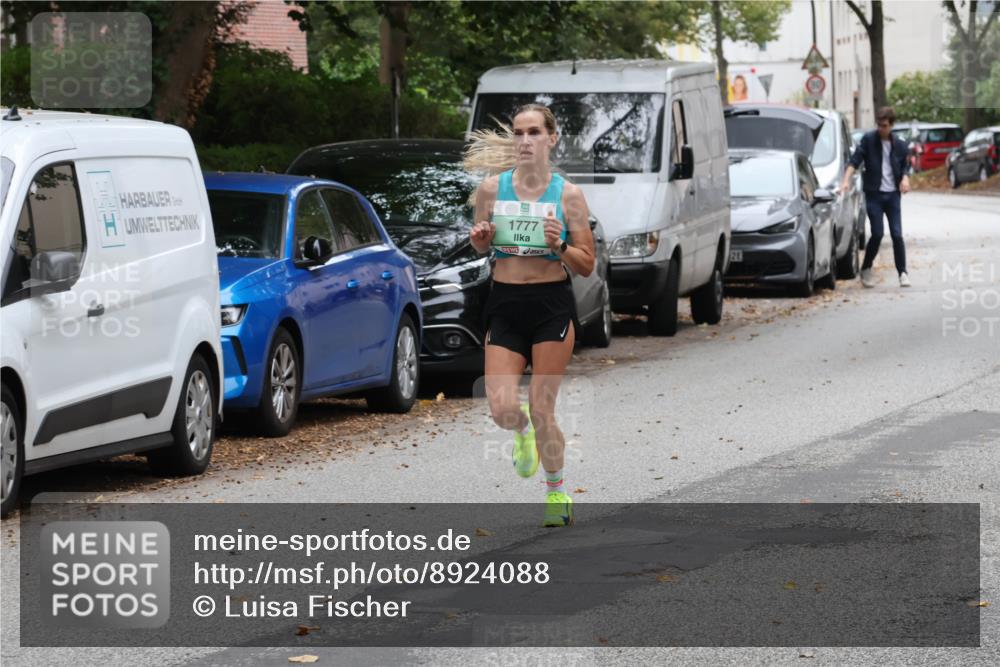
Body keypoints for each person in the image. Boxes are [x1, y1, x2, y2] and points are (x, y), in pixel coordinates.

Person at [465, 104, 596, 527]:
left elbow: (586, 264)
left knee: (543, 407)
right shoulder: (491, 189)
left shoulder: (569, 195)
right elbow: (482, 245)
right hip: (504, 302)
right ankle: (521, 434)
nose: (525, 141)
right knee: (502, 408)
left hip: (550, 305)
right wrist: (481, 238)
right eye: (519, 133)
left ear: (551, 139)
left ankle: (557, 492)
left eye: (534, 132)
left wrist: (559, 246)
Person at [839, 106, 912, 288]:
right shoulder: (869, 140)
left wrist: (905, 178)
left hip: (893, 196)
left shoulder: (900, 145)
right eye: (879, 125)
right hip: (874, 196)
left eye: (885, 126)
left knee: (897, 234)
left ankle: (903, 273)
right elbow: (854, 161)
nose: (881, 129)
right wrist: (845, 181)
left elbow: (905, 166)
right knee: (877, 233)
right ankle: (866, 268)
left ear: (891, 125)